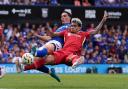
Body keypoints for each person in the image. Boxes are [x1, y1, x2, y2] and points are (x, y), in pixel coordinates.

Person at [16, 11, 108, 79]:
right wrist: (49, 31)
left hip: (71, 54)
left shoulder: (83, 34)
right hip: (61, 53)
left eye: (74, 26)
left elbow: (95, 31)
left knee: (80, 58)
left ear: (79, 27)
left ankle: (75, 63)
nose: (72, 27)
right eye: (72, 25)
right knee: (43, 60)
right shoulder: (66, 31)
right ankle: (25, 67)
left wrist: (103, 21)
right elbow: (53, 35)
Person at [15, 10, 72, 82]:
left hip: (58, 44)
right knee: (37, 61)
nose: (62, 18)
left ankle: (33, 54)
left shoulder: (71, 27)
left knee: (46, 49)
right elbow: (49, 38)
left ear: (70, 17)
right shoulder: (60, 28)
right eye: (61, 16)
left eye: (64, 16)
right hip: (51, 42)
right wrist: (36, 35)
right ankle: (24, 68)